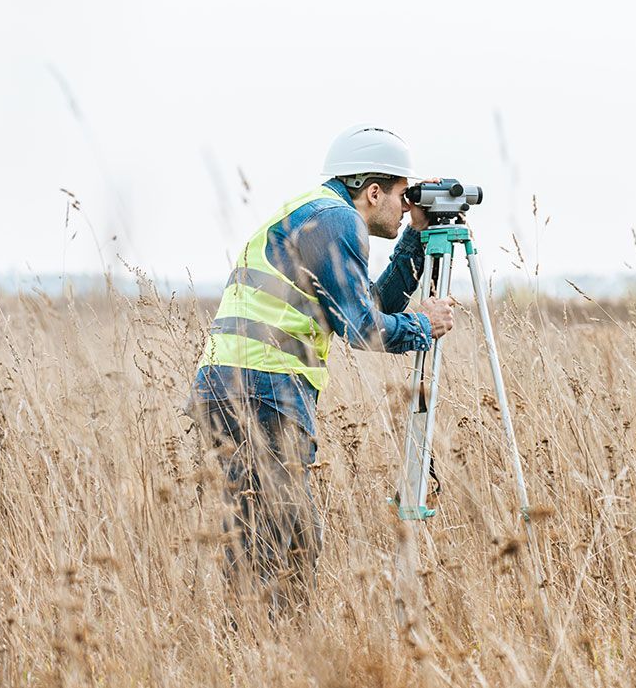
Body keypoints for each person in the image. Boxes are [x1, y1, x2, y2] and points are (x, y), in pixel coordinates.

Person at [188, 125, 455, 603]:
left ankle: (257, 649)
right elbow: (363, 328)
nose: (406, 205)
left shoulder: (316, 212)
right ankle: (269, 654)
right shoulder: (337, 222)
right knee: (282, 543)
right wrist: (423, 326)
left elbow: (367, 303)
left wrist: (415, 238)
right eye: (402, 195)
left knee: (276, 539)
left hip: (233, 385)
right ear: (373, 192)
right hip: (261, 390)